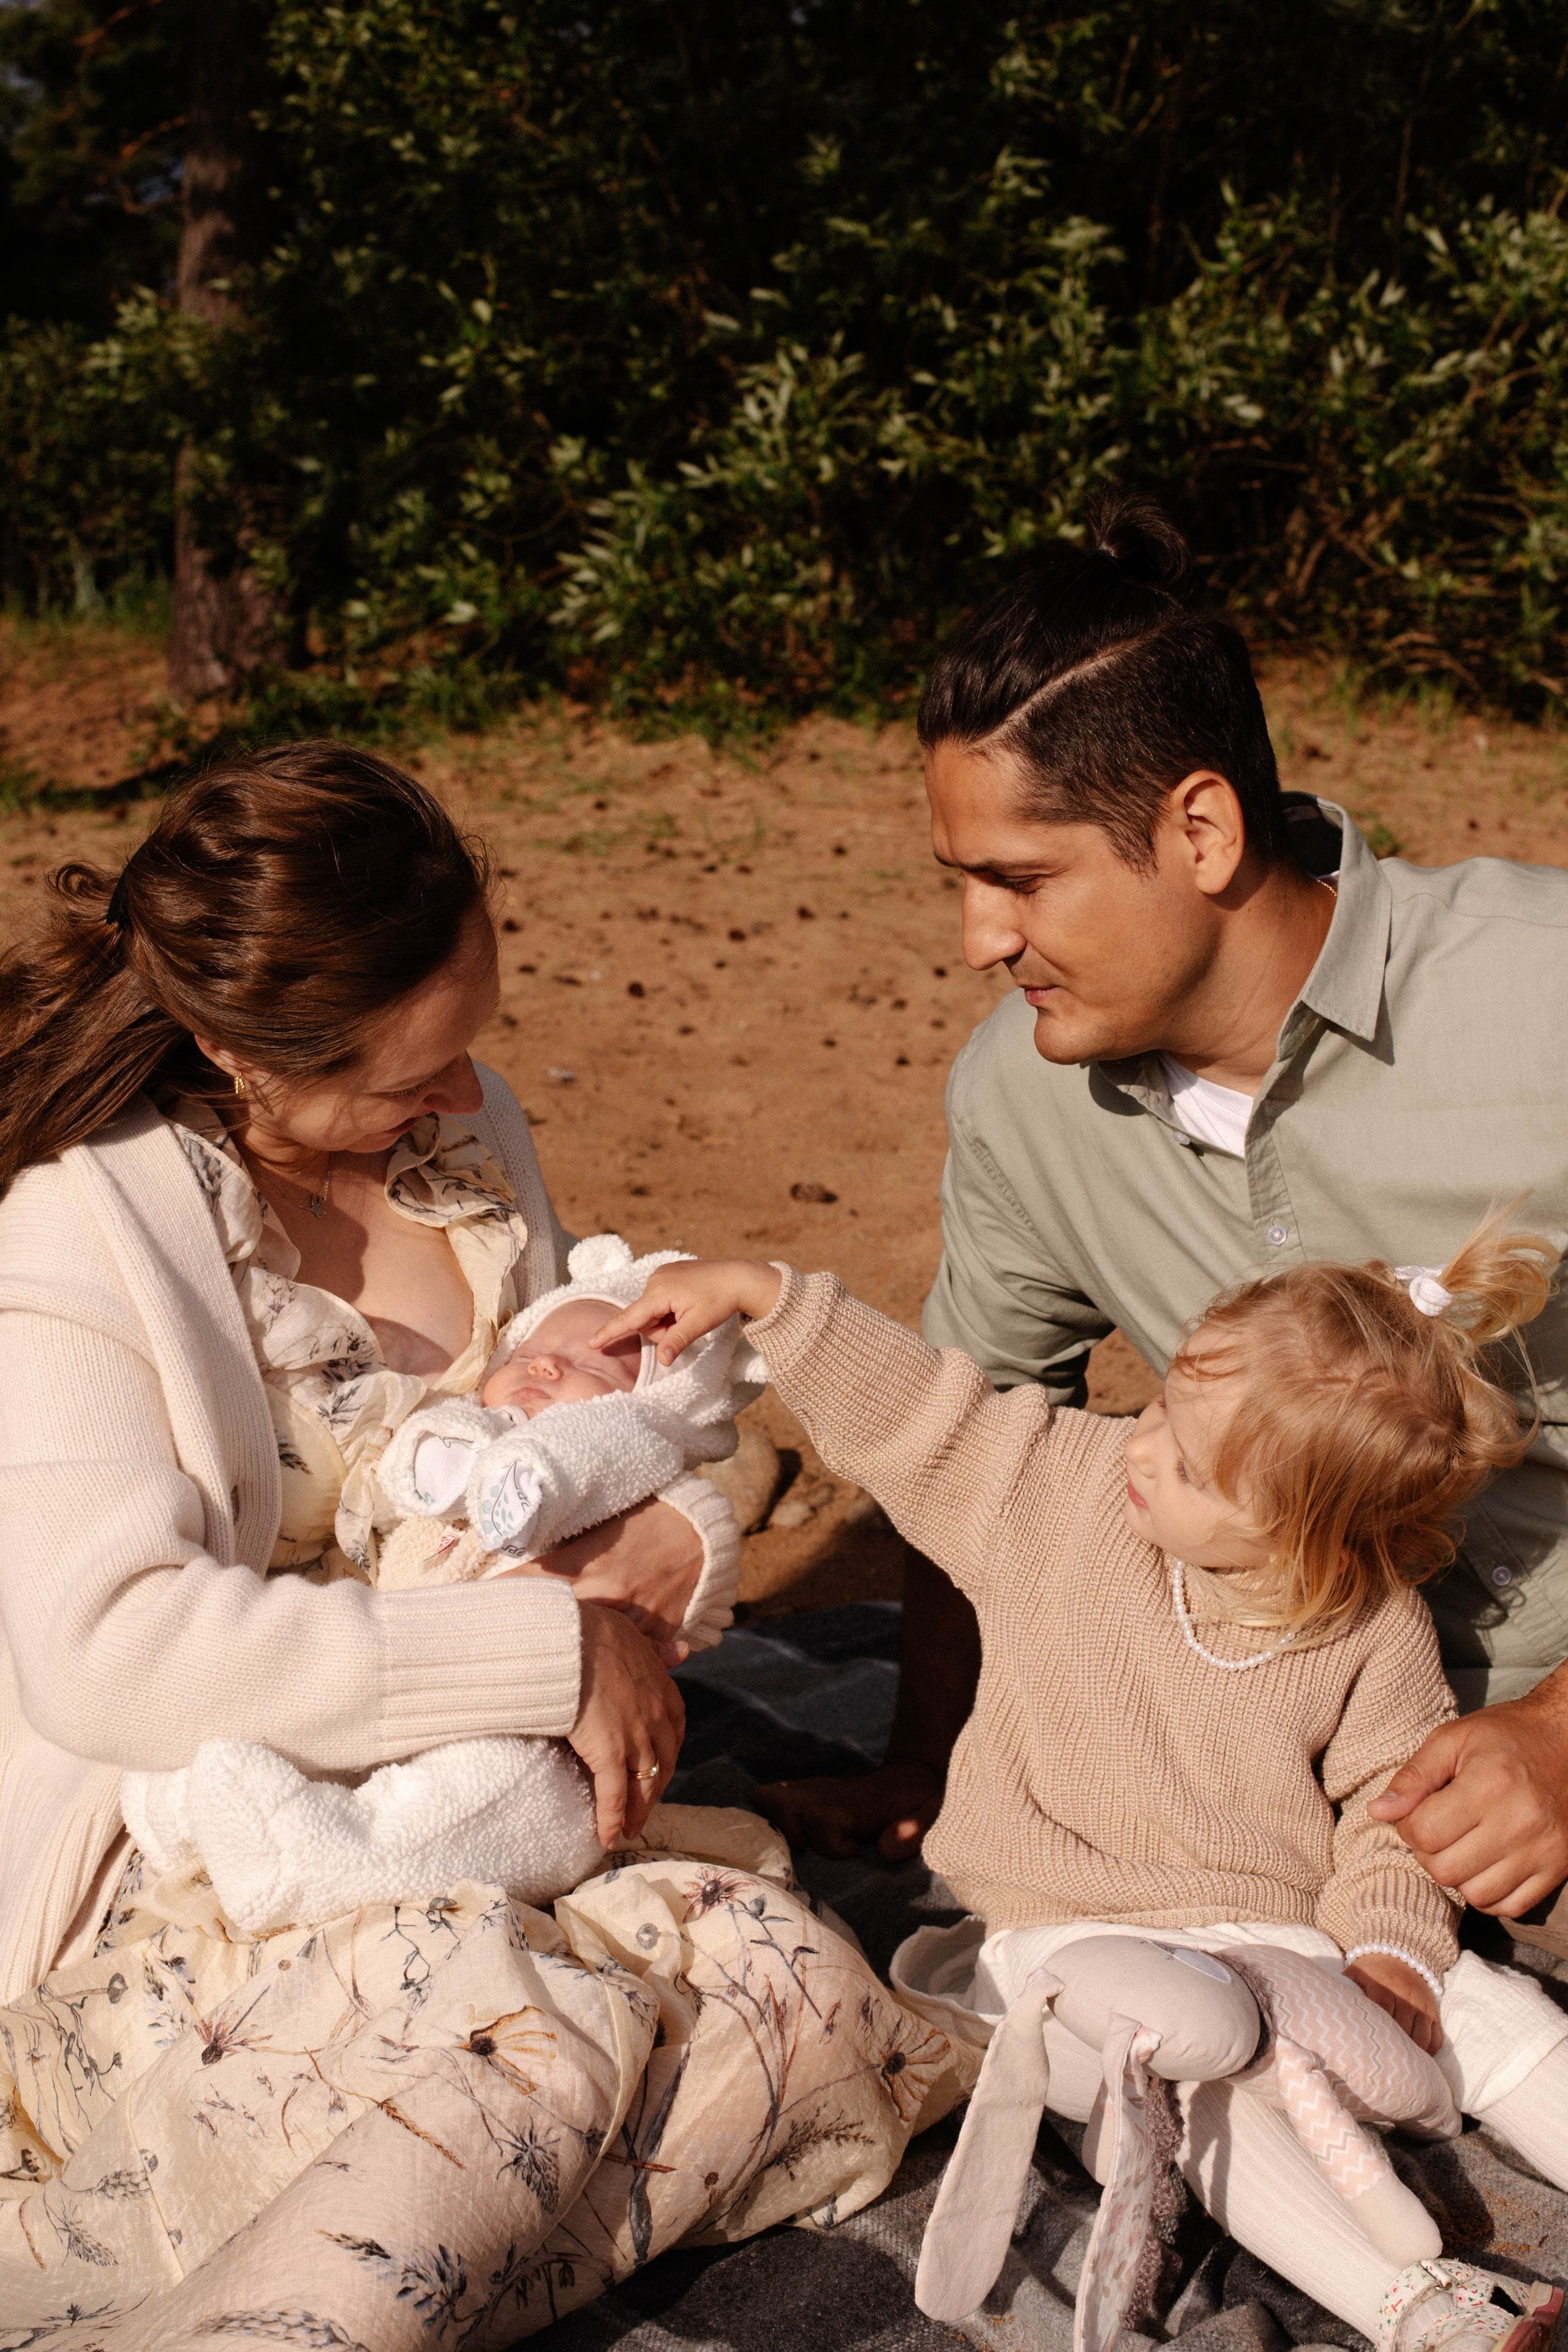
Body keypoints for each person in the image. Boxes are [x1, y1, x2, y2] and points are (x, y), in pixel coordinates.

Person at [0, 744, 963, 2344]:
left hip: (488, 1803)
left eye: (471, 1049)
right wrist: (550, 1650)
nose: (464, 1098)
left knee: (797, 2002)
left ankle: (360, 2227)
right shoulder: (80, 1237)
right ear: (241, 1050)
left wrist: (677, 1532)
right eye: (407, 1076)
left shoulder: (464, 1152)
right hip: (194, 1849)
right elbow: (114, 1655)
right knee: (540, 2032)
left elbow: (578, 1425)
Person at [762, 499, 1568, 1958]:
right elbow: (983, 1441)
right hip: (1237, 1785)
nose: (977, 940)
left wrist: (1561, 1734)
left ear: (1196, 828)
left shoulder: (1539, 997)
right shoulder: (1017, 1096)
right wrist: (927, 1765)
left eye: (1018, 878)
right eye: (961, 883)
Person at [597, 1221, 1568, 2352]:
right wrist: (769, 1294)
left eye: (1196, 1467)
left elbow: (1390, 1809)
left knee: (1496, 2013)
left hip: (1281, 1937)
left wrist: (1392, 1950)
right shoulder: (1065, 1493)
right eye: (1159, 1404)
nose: (1144, 1449)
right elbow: (925, 1419)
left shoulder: (1371, 1623)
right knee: (1166, 2095)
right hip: (1070, 1939)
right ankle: (1417, 2307)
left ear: (1305, 1529)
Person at [119, 1233, 762, 1934]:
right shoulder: (460, 1462)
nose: (545, 1362)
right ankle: (192, 1812)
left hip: (543, 1742)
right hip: (401, 1685)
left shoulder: (655, 1495)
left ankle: (323, 1863)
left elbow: (690, 1545)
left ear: (649, 1411)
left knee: (511, 1797)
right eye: (524, 1354)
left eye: (591, 1368)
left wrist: (648, 1516)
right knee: (302, 1738)